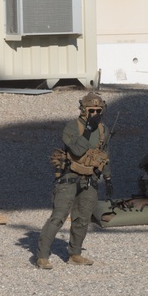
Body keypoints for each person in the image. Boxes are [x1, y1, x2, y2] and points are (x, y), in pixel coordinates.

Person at [36, 92, 113, 269]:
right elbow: (77, 151)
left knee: (83, 217)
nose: (95, 114)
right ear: (83, 110)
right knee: (59, 216)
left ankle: (75, 253)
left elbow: (104, 154)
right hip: (69, 177)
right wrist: (87, 130)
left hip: (90, 177)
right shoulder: (72, 127)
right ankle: (42, 256)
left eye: (98, 110)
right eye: (91, 110)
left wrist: (108, 177)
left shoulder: (103, 129)